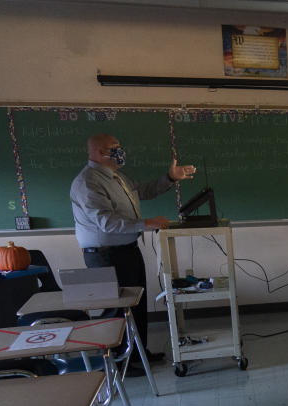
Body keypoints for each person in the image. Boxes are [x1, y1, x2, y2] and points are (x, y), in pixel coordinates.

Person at [70, 133, 196, 374]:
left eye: (119, 145)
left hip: (127, 251)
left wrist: (170, 178)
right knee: (116, 310)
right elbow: (106, 222)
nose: (119, 151)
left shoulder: (116, 177)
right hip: (105, 256)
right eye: (113, 147)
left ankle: (138, 353)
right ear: (96, 152)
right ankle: (119, 365)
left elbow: (144, 190)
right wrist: (145, 223)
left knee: (136, 305)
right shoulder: (88, 182)